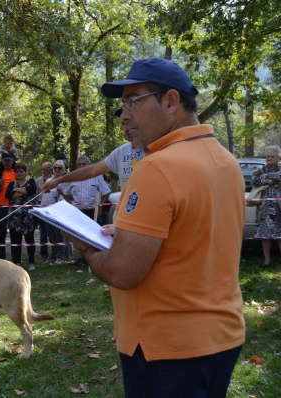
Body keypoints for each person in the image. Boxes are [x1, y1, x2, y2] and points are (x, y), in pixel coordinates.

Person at [66, 58, 245, 397]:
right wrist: (137, 236)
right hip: (222, 336)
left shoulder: (155, 168)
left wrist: (83, 243)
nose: (123, 115)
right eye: (121, 105)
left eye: (133, 101)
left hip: (164, 348)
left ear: (171, 101)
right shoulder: (226, 160)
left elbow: (122, 272)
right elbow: (196, 233)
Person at [43, 109, 144, 192]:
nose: (126, 128)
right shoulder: (120, 152)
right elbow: (91, 170)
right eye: (123, 124)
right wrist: (58, 180)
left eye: (130, 122)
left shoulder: (155, 149)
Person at [251, 145, 281, 268]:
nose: (269, 158)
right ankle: (267, 261)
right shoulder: (261, 168)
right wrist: (268, 181)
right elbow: (253, 180)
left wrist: (267, 176)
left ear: (279, 157)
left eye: (272, 156)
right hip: (264, 209)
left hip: (279, 208)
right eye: (267, 156)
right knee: (265, 235)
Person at [5, 163, 37, 270]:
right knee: (15, 241)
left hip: (28, 217)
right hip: (14, 218)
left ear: (25, 172)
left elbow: (32, 190)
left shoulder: (31, 182)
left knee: (30, 240)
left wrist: (16, 190)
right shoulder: (12, 184)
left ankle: (32, 262)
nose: (20, 173)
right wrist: (24, 191)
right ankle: (17, 263)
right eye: (17, 171)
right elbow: (7, 194)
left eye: (21, 171)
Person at [62, 156, 111, 224]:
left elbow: (106, 192)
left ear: (89, 164)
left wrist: (100, 206)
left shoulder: (97, 176)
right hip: (78, 212)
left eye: (84, 164)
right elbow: (65, 193)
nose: (81, 166)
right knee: (77, 233)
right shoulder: (73, 178)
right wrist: (70, 205)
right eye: (79, 164)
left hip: (93, 212)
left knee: (98, 233)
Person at [0, 153, 17, 260]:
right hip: (0, 206)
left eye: (9, 160)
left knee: (14, 233)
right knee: (1, 233)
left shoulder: (17, 170)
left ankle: (16, 260)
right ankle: (0, 259)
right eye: (4, 160)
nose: (6, 162)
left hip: (14, 205)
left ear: (12, 161)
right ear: (1, 161)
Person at [41, 160, 67, 264]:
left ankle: (60, 256)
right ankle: (53, 255)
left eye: (59, 168)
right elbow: (44, 193)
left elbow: (68, 196)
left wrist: (60, 190)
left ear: (63, 170)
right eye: (55, 167)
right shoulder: (49, 180)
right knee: (50, 234)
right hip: (47, 211)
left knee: (58, 234)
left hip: (59, 211)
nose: (57, 170)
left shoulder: (64, 181)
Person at [35, 162, 52, 261]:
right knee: (43, 233)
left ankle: (56, 253)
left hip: (53, 209)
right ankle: (44, 253)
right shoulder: (38, 180)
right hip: (42, 209)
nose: (43, 171)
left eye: (45, 169)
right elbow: (36, 195)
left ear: (50, 169)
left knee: (55, 233)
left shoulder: (55, 179)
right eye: (42, 169)